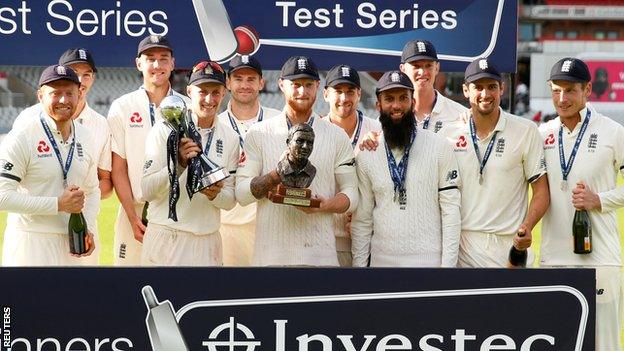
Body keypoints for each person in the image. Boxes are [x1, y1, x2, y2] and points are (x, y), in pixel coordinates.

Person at [235, 56, 358, 266]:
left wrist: (325, 205)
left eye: (309, 85)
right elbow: (242, 194)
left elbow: (352, 195)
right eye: (296, 85)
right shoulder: (259, 133)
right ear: (281, 84)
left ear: (318, 86)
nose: (303, 92)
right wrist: (276, 174)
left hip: (321, 257)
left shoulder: (337, 136)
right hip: (271, 258)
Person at [539, 57, 624, 351]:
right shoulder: (542, 134)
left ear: (587, 89)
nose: (562, 99)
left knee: (605, 344)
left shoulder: (613, 131)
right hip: (553, 259)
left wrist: (600, 200)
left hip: (601, 259)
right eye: (556, 90)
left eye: (570, 90)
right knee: (556, 342)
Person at [438, 57, 549, 268]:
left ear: (502, 89)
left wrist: (527, 227)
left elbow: (541, 190)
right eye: (477, 87)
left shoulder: (526, 130)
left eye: (491, 87)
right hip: (463, 248)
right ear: (465, 90)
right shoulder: (448, 133)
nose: (485, 94)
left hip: (509, 248)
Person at [351, 71, 461, 267]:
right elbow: (362, 221)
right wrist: (360, 271)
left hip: (429, 265)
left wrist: (448, 271)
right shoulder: (367, 154)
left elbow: (451, 213)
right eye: (389, 99)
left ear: (413, 102)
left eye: (403, 98)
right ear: (378, 105)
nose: (396, 105)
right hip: (381, 266)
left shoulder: (439, 147)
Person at [12, 48, 111, 265]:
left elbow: (93, 189)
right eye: (55, 93)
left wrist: (89, 228)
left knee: (77, 299)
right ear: (40, 95)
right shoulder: (25, 128)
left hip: (74, 243)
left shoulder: (87, 134)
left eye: (69, 92)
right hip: (33, 240)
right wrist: (57, 204)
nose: (63, 99)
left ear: (78, 93)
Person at [141, 61, 239, 266]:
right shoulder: (164, 129)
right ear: (189, 91)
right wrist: (177, 165)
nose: (209, 99)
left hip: (208, 240)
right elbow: (147, 191)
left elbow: (229, 200)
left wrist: (216, 194)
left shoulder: (230, 137)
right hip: (168, 236)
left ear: (224, 93)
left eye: (215, 92)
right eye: (202, 92)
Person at [108, 35, 189, 265]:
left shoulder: (187, 106)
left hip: (177, 211)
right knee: (128, 284)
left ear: (173, 64)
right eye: (150, 58)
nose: (157, 65)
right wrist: (132, 216)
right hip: (135, 210)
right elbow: (119, 167)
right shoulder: (122, 106)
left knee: (174, 285)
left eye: (163, 58)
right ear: (139, 63)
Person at [218, 55, 280, 266]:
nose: (245, 85)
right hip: (227, 225)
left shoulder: (278, 120)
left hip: (270, 224)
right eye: (238, 79)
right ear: (228, 83)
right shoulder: (216, 124)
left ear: (261, 83)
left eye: (251, 79)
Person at [322, 64, 381, 267]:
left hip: (371, 239)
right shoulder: (315, 133)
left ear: (359, 94)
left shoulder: (378, 130)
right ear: (326, 94)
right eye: (338, 91)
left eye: (349, 92)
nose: (344, 98)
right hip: (327, 239)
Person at [399, 39, 467, 132]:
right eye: (416, 66)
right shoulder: (393, 115)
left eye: (428, 65)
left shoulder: (459, 115)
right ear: (403, 69)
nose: (422, 72)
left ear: (437, 68)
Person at [276, 123, 317, 188]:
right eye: (300, 141)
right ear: (288, 143)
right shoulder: (281, 168)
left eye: (310, 143)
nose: (305, 146)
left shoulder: (312, 171)